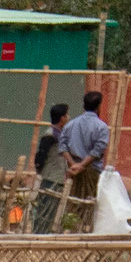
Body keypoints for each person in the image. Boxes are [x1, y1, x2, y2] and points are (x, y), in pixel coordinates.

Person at [61, 86, 113, 233]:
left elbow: (63, 146)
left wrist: (73, 165)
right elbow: (98, 150)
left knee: (73, 202)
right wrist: (82, 165)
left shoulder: (71, 125)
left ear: (84, 106)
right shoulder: (101, 127)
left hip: (73, 170)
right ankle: (86, 233)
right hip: (91, 170)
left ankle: (70, 232)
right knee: (91, 202)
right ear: (98, 107)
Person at [28, 102, 71, 233]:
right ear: (62, 118)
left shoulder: (58, 134)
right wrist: (40, 170)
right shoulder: (50, 135)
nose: (68, 117)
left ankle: (43, 234)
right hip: (50, 178)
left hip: (56, 177)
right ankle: (39, 234)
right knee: (45, 210)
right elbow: (40, 155)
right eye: (66, 115)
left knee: (51, 211)